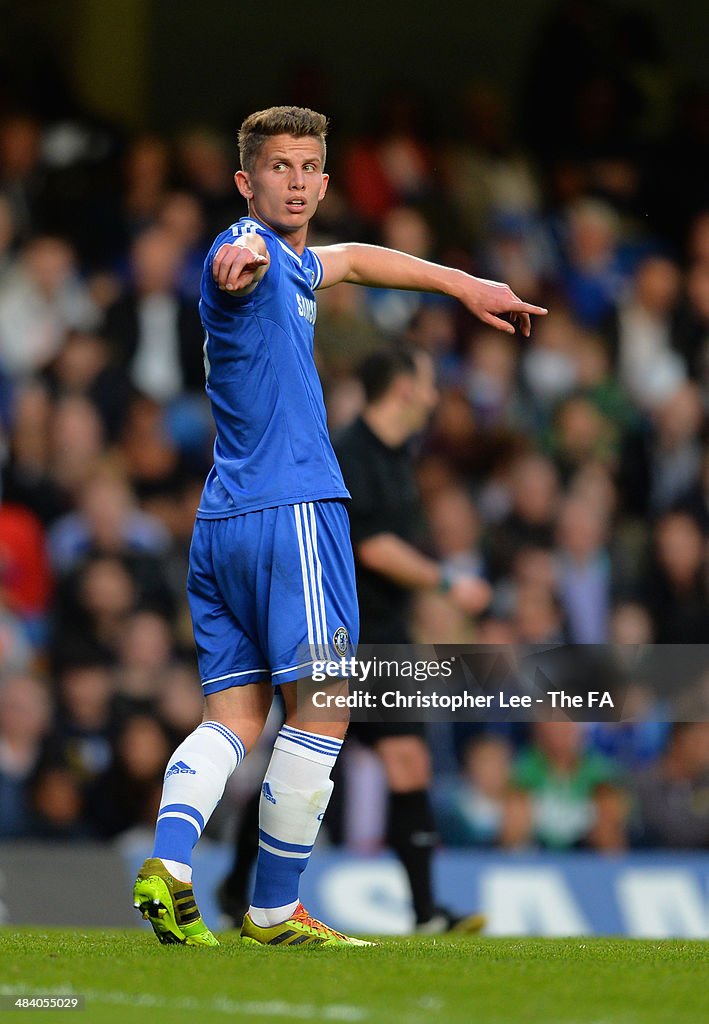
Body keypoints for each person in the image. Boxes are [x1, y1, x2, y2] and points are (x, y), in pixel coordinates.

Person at [132, 105, 546, 949]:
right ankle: (275, 910)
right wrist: (234, 257)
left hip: (224, 519)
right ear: (247, 182)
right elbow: (226, 267)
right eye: (277, 167)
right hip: (291, 513)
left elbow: (354, 259)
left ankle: (170, 865)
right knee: (323, 709)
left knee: (237, 716)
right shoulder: (244, 255)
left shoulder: (298, 263)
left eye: (307, 167)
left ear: (324, 180)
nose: (294, 180)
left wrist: (466, 285)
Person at [335, 347, 491, 932]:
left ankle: (426, 913)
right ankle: (234, 882)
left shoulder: (401, 456)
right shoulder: (350, 453)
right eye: (427, 384)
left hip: (387, 633)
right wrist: (446, 580)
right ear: (402, 388)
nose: (433, 396)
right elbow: (369, 544)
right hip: (339, 633)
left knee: (409, 761)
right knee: (304, 765)